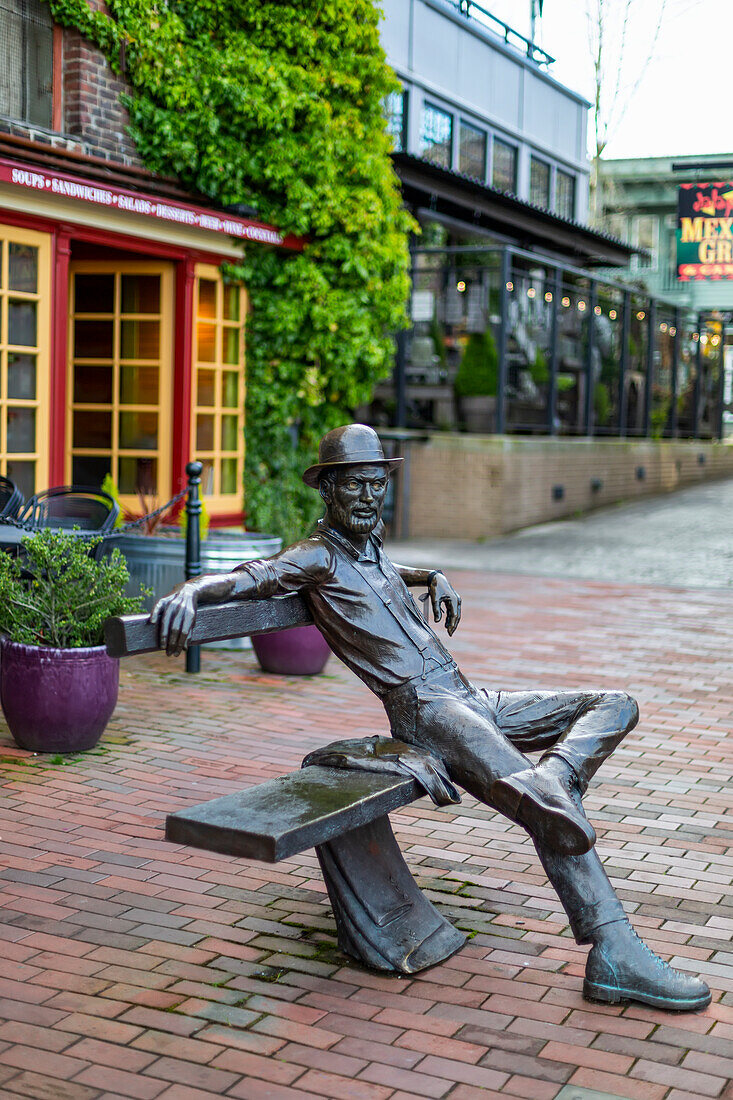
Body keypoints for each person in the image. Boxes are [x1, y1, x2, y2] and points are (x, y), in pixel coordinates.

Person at [152, 424, 711, 1011]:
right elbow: (252, 576)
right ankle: (613, 950)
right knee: (544, 810)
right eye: (356, 487)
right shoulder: (316, 557)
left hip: (470, 696)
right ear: (329, 492)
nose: (369, 497)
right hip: (425, 710)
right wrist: (192, 590)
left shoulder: (373, 552)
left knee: (614, 703)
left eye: (377, 485)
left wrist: (430, 576)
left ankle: (556, 779)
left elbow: (388, 577)